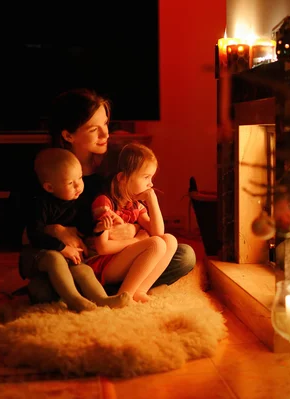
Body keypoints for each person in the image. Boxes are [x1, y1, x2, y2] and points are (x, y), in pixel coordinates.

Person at [25, 88, 196, 303]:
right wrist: (56, 229)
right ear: (68, 135)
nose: (105, 134)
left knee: (184, 255)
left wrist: (133, 228)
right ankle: (103, 289)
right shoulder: (49, 173)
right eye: (94, 129)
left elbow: (133, 212)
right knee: (43, 289)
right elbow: (25, 233)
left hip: (121, 255)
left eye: (105, 124)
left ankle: (116, 289)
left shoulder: (114, 166)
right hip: (81, 261)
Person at [20, 148, 130, 311]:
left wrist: (99, 227)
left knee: (83, 269)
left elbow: (84, 227)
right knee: (54, 258)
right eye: (71, 183)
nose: (79, 185)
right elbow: (35, 235)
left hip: (67, 256)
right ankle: (74, 299)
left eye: (80, 178)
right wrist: (63, 248)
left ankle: (102, 299)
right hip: (36, 256)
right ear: (50, 187)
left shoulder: (77, 202)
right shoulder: (40, 204)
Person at [85, 143, 177, 302]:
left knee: (169, 240)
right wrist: (136, 240)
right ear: (122, 178)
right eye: (146, 177)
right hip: (103, 266)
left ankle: (139, 290)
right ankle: (124, 295)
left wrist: (152, 200)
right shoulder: (104, 203)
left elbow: (159, 232)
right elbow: (102, 248)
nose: (151, 184)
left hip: (121, 260)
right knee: (155, 244)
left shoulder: (134, 204)